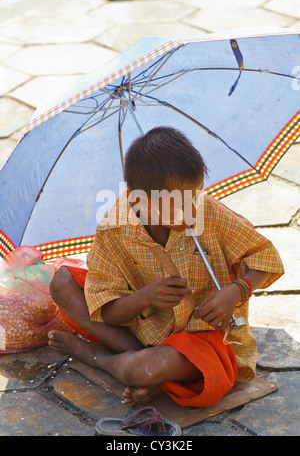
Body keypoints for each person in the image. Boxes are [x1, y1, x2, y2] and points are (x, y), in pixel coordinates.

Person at [48, 126, 284, 407]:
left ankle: (106, 360)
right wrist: (144, 298)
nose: (192, 211)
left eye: (195, 196)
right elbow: (109, 313)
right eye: (179, 204)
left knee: (139, 370)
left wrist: (236, 291)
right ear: (139, 201)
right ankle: (145, 365)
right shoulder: (113, 231)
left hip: (203, 337)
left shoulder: (208, 212)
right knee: (61, 282)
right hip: (140, 330)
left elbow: (265, 258)